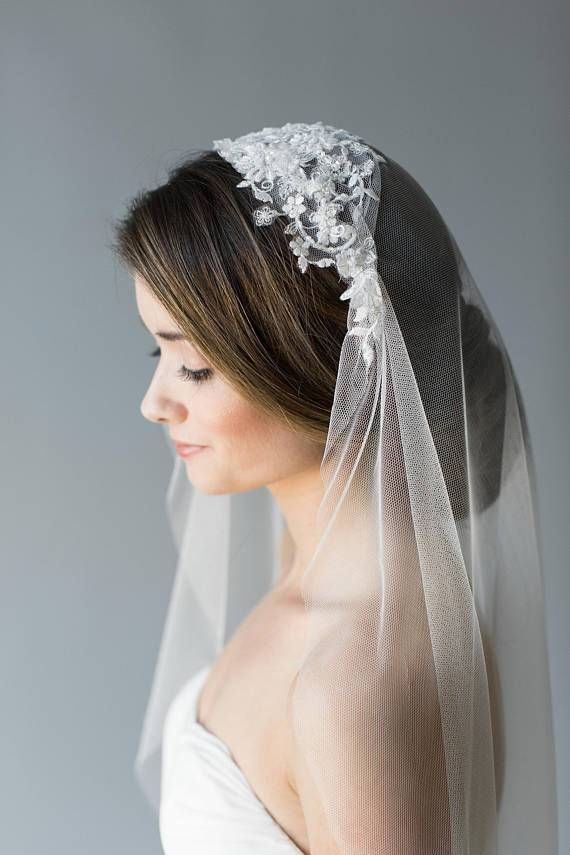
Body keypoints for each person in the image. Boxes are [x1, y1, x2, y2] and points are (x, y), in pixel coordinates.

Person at [111, 122, 558, 854]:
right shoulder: (327, 576)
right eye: (154, 350)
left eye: (193, 366)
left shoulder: (349, 677)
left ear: (315, 361)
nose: (155, 402)